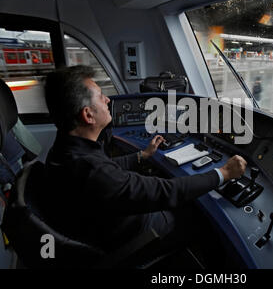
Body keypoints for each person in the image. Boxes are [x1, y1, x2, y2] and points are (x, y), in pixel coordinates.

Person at [40, 65, 247, 254]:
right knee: (201, 215)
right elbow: (166, 191)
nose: (108, 100)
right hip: (134, 234)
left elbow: (106, 167)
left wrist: (142, 155)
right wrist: (224, 173)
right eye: (101, 96)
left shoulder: (64, 150)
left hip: (96, 222)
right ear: (88, 115)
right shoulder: (92, 170)